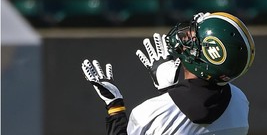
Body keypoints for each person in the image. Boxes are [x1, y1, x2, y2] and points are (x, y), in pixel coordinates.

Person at [81, 12, 255, 135]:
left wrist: (115, 108)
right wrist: (170, 91)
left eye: (194, 37)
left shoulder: (148, 113)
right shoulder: (240, 102)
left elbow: (173, 120)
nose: (186, 37)